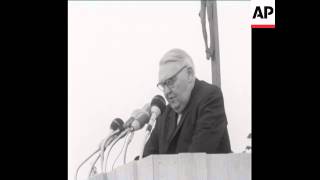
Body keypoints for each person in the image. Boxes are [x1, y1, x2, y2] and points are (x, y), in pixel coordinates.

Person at [143, 48, 231, 157]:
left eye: (170, 82)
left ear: (189, 74)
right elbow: (146, 158)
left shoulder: (210, 98)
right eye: (163, 85)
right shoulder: (164, 114)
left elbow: (195, 158)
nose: (166, 91)